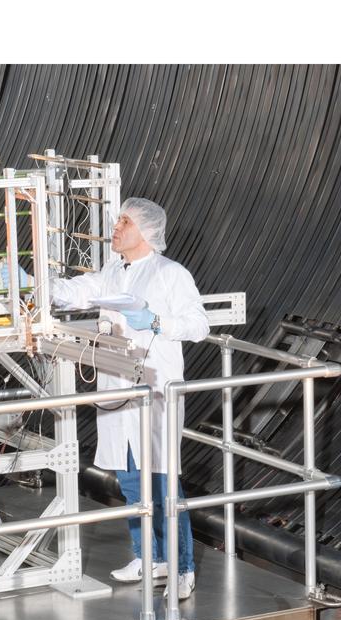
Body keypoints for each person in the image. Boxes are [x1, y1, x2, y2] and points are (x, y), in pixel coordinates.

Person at [47, 198, 209, 599]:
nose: (116, 228)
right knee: (132, 482)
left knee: (163, 481)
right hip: (118, 389)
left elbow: (198, 325)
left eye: (125, 222)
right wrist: (31, 284)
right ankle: (148, 556)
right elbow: (75, 292)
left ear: (147, 231)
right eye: (117, 220)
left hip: (155, 390)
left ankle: (182, 567)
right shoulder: (112, 271)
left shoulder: (171, 274)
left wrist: (155, 322)